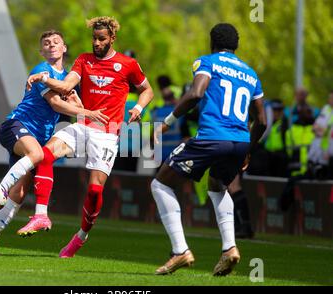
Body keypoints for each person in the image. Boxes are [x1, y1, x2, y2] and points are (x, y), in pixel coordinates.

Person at [17, 16, 154, 258]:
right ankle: (40, 215)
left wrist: (138, 108)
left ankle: (80, 236)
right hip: (82, 125)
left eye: (102, 39)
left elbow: (147, 90)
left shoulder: (128, 64)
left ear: (112, 39)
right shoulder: (83, 60)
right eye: (94, 38)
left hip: (107, 134)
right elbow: (66, 85)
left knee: (94, 191)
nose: (97, 43)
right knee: (44, 155)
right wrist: (45, 78)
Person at [0, 30, 108, 255]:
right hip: (15, 126)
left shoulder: (67, 80)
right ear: (41, 51)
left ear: (64, 48)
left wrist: (82, 107)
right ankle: (1, 187)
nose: (52, 45)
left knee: (19, 193)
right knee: (37, 155)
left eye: (56, 42)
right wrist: (86, 111)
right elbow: (56, 104)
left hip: (34, 138)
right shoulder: (41, 71)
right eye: (46, 43)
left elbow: (73, 104)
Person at [150, 23, 266, 276]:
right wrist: (248, 150)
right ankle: (229, 248)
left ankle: (180, 250)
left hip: (212, 137)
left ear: (212, 42)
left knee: (160, 184)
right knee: (217, 185)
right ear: (236, 45)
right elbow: (263, 120)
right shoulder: (251, 73)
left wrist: (167, 122)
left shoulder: (208, 62)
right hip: (239, 141)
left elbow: (195, 94)